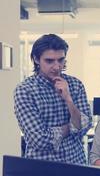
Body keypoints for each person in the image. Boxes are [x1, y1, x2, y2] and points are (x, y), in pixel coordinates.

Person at [14, 34, 92, 165]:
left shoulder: (75, 84)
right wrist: (71, 128)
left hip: (76, 163)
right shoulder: (25, 90)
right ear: (36, 59)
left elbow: (85, 126)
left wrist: (68, 99)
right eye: (49, 61)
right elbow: (39, 139)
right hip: (43, 167)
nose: (57, 67)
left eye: (61, 60)